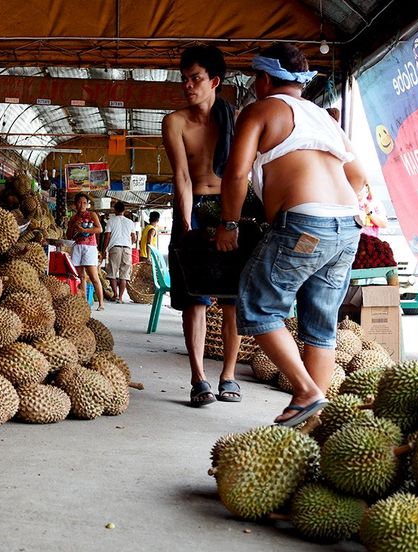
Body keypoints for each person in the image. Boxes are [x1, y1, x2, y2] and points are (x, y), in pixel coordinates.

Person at [215, 43, 367, 427]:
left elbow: (236, 174)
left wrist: (229, 224)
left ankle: (305, 391)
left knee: (257, 304)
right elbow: (358, 176)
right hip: (347, 226)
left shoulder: (261, 110)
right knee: (321, 325)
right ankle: (311, 423)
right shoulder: (324, 118)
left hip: (304, 224)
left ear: (264, 79)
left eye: (255, 79)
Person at [162, 45, 243, 406]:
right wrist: (185, 225)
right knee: (194, 299)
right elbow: (181, 176)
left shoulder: (237, 120)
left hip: (229, 207)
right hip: (193, 207)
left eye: (196, 79)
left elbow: (245, 173)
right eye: (184, 79)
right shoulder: (175, 122)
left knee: (231, 300)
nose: (188, 86)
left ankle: (228, 376)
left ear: (214, 81)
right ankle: (199, 379)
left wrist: (235, 219)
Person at [66, 192, 105, 311]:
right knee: (80, 276)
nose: (82, 205)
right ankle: (83, 303)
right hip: (77, 246)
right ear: (75, 204)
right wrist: (73, 226)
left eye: (84, 203)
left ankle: (101, 304)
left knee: (94, 277)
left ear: (87, 204)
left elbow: (99, 229)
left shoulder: (92, 215)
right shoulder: (73, 218)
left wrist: (84, 229)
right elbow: (69, 235)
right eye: (79, 202)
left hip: (90, 247)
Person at [103, 200, 137, 303]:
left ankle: (116, 295)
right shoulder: (130, 222)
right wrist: (128, 242)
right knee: (124, 274)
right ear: (124, 210)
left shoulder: (111, 221)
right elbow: (134, 238)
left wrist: (104, 249)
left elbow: (107, 237)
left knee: (112, 272)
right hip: (127, 248)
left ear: (115, 209)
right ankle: (121, 298)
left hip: (115, 248)